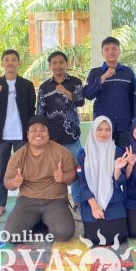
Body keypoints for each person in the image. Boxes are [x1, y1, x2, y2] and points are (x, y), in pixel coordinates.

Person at [3, 115, 76, 242]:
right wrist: (14, 182)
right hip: (27, 201)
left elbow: (73, 176)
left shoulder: (62, 152)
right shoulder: (18, 156)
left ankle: (41, 221)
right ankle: (38, 221)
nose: (38, 133)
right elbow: (7, 182)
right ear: (27, 134)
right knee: (11, 236)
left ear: (48, 133)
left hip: (55, 200)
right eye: (34, 130)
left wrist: (63, 177)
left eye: (43, 130)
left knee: (64, 234)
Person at [0, 49, 36, 219]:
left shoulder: (26, 85)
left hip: (21, 136)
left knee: (25, 171)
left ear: (18, 63)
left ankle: (25, 204)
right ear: (2, 63)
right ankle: (2, 204)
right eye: (6, 59)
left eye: (14, 59)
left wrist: (30, 134)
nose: (10, 63)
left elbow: (31, 110)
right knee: (2, 171)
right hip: (2, 136)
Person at [37, 50, 85, 207]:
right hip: (52, 139)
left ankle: (78, 202)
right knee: (54, 172)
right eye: (54, 63)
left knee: (76, 169)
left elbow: (80, 101)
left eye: (61, 62)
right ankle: (58, 202)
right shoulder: (44, 87)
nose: (58, 66)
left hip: (72, 136)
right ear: (50, 66)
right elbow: (40, 113)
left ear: (66, 64)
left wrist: (65, 91)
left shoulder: (75, 82)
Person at [77, 116, 128, 245]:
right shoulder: (83, 153)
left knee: (118, 237)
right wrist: (94, 205)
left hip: (113, 199)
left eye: (107, 129)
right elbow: (82, 182)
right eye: (99, 129)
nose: (103, 133)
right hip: (90, 200)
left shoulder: (117, 151)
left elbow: (120, 181)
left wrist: (117, 169)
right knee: (93, 238)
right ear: (93, 130)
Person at [83, 36, 135, 148]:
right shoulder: (95, 72)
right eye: (107, 49)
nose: (111, 52)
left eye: (114, 48)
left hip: (124, 124)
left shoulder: (128, 72)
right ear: (102, 52)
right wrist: (102, 78)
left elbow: (133, 98)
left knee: (124, 155)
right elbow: (88, 95)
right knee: (103, 155)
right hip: (103, 126)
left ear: (119, 51)